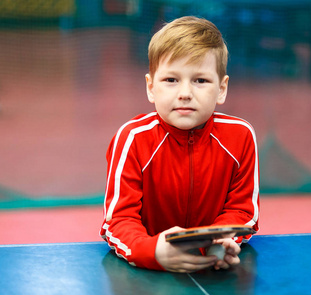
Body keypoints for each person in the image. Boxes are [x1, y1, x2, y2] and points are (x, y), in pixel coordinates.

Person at [100, 16, 260, 273]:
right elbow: (118, 221)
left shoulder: (241, 136)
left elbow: (242, 211)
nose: (185, 93)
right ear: (151, 87)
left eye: (200, 80)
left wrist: (217, 242)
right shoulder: (131, 138)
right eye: (171, 80)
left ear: (222, 88)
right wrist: (152, 251)